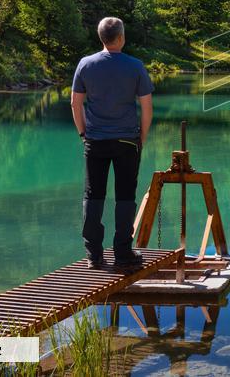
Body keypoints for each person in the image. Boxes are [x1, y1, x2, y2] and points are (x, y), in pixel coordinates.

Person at [71, 17, 154, 269]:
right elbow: (147, 107)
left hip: (95, 140)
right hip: (127, 140)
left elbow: (75, 103)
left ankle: (94, 255)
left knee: (93, 195)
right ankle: (123, 253)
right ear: (121, 38)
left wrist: (83, 133)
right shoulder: (135, 66)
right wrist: (141, 137)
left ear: (101, 38)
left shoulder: (86, 64)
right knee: (125, 196)